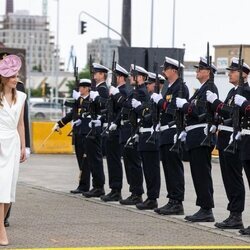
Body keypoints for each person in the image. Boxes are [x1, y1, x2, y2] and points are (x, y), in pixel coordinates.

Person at [206, 57, 250, 229]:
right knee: (228, 179)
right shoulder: (233, 92)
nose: (230, 73)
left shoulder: (245, 91)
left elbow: (234, 114)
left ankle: (236, 215)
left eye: (234, 71)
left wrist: (216, 104)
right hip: (224, 138)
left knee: (234, 178)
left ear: (244, 74)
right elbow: (226, 113)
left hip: (236, 139)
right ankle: (233, 213)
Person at [176, 56, 218, 222]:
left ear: (208, 72)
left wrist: (185, 106)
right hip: (195, 137)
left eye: (200, 69)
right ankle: (203, 207)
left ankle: (207, 209)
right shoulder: (201, 89)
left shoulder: (210, 88)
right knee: (198, 174)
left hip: (202, 137)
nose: (197, 71)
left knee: (202, 174)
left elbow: (200, 112)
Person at [151, 56, 189, 215]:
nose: (163, 71)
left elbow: (173, 110)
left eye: (166, 69)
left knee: (174, 168)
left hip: (174, 132)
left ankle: (177, 202)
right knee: (167, 167)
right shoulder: (170, 87)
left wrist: (160, 102)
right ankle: (172, 199)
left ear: (174, 70)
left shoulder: (180, 87)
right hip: (165, 132)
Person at [0, 54, 26, 246]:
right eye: (12, 76)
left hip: (14, 144)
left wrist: (24, 146)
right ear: (4, 78)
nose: (16, 79)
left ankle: (0, 223)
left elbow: (21, 124)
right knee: (1, 187)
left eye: (17, 76)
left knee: (9, 190)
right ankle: (1, 232)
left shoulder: (22, 97)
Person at [53, 79, 92, 194]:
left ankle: (85, 186)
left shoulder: (91, 100)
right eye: (79, 87)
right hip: (77, 134)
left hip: (87, 134)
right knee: (80, 160)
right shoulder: (78, 100)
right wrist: (60, 123)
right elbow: (71, 114)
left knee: (86, 161)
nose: (79, 89)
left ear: (86, 88)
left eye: (81, 87)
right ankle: (82, 185)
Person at [100, 63, 130, 202]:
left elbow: (122, 109)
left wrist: (115, 123)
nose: (114, 78)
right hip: (111, 129)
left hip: (117, 130)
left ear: (121, 77)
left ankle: (116, 189)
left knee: (115, 160)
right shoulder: (114, 90)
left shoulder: (123, 91)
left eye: (116, 76)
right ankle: (113, 189)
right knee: (111, 160)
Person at [82, 63, 109, 198]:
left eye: (97, 73)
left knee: (96, 158)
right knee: (92, 157)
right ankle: (96, 185)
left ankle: (99, 186)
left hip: (98, 126)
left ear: (102, 75)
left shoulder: (103, 89)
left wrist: (96, 97)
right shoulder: (96, 88)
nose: (94, 75)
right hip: (93, 125)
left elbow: (106, 104)